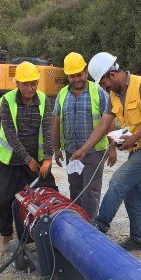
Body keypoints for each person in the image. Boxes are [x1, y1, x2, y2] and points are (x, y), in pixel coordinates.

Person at [71, 52, 141, 251]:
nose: (103, 87)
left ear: (113, 74)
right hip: (139, 147)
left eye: (104, 83)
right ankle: (140, 239)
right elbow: (103, 124)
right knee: (132, 193)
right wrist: (83, 150)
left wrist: (132, 138)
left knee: (118, 180)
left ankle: (100, 224)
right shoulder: (113, 95)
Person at [0, 61, 56, 250]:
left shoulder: (44, 100)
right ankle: (7, 235)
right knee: (2, 201)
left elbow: (47, 130)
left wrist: (48, 158)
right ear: (17, 83)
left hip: (35, 162)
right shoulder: (7, 100)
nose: (30, 87)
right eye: (26, 83)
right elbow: (10, 134)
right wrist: (27, 159)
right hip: (9, 162)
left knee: (48, 194)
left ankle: (43, 235)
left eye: (34, 83)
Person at [52, 52, 116, 219]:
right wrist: (57, 149)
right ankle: (77, 221)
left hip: (94, 152)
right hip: (72, 153)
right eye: (72, 76)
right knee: (75, 188)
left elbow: (109, 121)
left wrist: (112, 147)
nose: (76, 79)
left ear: (86, 72)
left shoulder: (99, 92)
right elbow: (56, 122)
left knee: (91, 190)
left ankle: (89, 224)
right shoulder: (62, 94)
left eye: (79, 74)